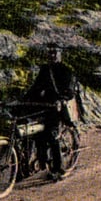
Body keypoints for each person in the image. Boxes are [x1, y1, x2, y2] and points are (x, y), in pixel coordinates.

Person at [23, 47, 75, 177]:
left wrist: (62, 100)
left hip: (57, 108)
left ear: (60, 55)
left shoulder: (66, 71)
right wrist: (24, 100)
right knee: (35, 133)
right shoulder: (45, 70)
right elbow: (36, 87)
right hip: (44, 106)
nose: (52, 56)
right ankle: (35, 163)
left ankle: (58, 169)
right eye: (50, 53)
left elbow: (70, 91)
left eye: (55, 53)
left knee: (52, 135)